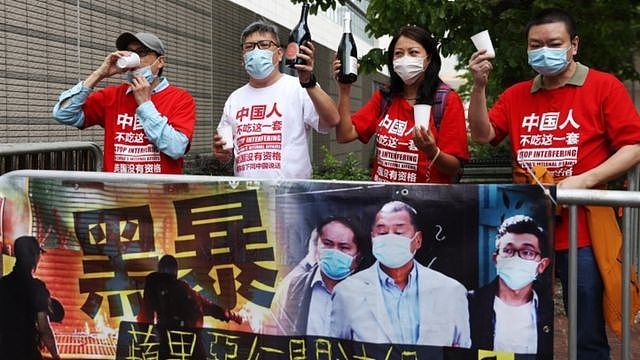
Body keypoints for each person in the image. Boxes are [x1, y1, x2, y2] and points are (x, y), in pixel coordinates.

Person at [468, 8, 640, 359]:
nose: (544, 50)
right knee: (518, 328)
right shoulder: (517, 95)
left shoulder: (603, 86)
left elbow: (633, 146)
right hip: (527, 233)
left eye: (554, 43)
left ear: (573, 45)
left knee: (587, 331)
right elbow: (484, 134)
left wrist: (584, 181)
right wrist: (479, 85)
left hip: (584, 233)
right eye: (536, 44)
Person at [332, 26, 469, 183]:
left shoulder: (447, 100)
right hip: (386, 203)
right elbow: (344, 135)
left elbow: (453, 168)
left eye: (413, 52)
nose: (405, 59)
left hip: (427, 203)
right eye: (398, 54)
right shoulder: (385, 97)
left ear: (429, 58)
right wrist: (344, 90)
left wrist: (431, 151)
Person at [52, 32, 196, 174]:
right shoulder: (111, 95)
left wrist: (145, 105)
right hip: (116, 193)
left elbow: (176, 148)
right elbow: (63, 114)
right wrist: (100, 74)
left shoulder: (181, 98)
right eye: (129, 53)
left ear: (160, 61)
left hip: (162, 194)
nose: (135, 59)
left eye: (142, 53)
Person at [330, 201, 470, 347]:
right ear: (372, 239)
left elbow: (462, 349)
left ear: (418, 240)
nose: (390, 238)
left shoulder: (451, 291)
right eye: (382, 232)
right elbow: (336, 350)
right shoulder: (346, 292)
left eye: (399, 233)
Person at [213, 21, 340, 179]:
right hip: (250, 196)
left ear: (280, 54)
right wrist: (222, 155)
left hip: (293, 195)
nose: (256, 51)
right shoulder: (234, 98)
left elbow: (332, 120)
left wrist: (309, 82)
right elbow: (226, 151)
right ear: (242, 57)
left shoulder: (299, 87)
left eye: (264, 44)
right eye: (249, 47)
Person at [268, 216, 370, 336]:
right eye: (327, 244)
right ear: (316, 246)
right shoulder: (293, 287)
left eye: (344, 247)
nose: (334, 252)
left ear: (358, 256)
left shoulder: (368, 294)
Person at [468, 215, 553, 355]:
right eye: (508, 251)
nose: (515, 258)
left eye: (527, 252)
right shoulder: (470, 303)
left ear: (542, 265)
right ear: (496, 259)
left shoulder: (548, 309)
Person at [138, 254, 242, 328]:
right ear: (176, 271)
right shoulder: (185, 288)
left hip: (170, 341)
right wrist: (232, 316)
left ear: (160, 269)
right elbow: (210, 307)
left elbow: (145, 316)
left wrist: (143, 341)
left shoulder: (154, 283)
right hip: (193, 341)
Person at [0, 235, 61, 360]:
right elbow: (44, 328)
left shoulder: (2, 284)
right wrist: (56, 356)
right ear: (35, 257)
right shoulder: (37, 287)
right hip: (27, 353)